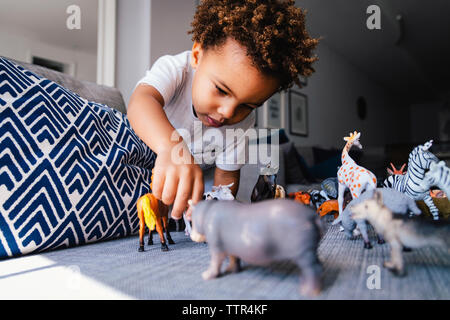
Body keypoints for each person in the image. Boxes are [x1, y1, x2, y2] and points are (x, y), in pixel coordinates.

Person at [127, 0, 319, 220]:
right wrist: (171, 149)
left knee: (232, 192)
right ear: (197, 55)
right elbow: (141, 102)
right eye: (221, 90)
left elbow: (226, 175)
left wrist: (216, 210)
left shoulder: (244, 122)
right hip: (141, 160)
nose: (228, 112)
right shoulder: (176, 70)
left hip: (197, 174)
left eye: (248, 105)